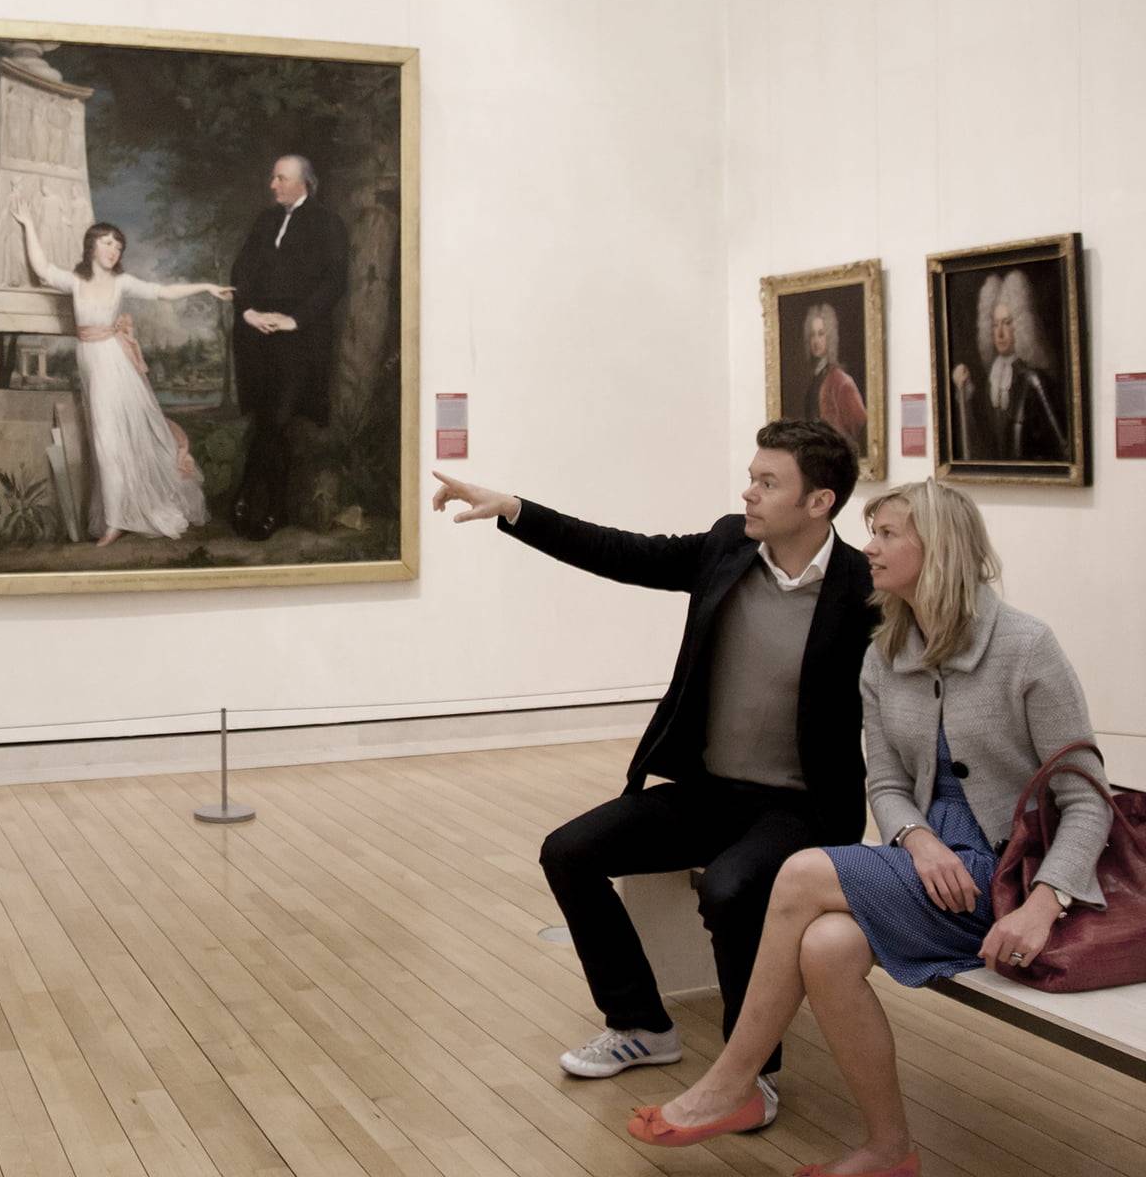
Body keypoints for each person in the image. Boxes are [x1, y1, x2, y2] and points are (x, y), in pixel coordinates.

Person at [629, 480, 1111, 1177]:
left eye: (887, 534)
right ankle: (890, 1150)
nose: (869, 548)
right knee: (826, 947)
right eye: (871, 531)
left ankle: (732, 1082)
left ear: (938, 549)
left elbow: (1087, 796)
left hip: (1013, 879)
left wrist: (1045, 902)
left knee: (800, 873)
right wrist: (916, 839)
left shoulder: (1027, 646)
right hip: (932, 867)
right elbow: (884, 783)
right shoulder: (884, 653)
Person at [431, 420, 873, 1120]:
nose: (748, 492)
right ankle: (642, 1025)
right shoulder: (731, 545)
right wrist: (515, 509)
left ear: (819, 502)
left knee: (731, 889)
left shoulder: (862, 589)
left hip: (800, 810)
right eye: (751, 477)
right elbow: (625, 553)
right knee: (570, 851)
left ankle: (750, 1069)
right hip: (710, 791)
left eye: (767, 482)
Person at [13, 206, 230, 547]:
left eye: (118, 246)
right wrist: (28, 223)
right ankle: (118, 516)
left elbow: (162, 292)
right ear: (91, 247)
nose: (114, 250)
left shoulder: (122, 282)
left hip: (116, 367)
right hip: (92, 366)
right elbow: (41, 270)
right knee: (107, 444)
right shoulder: (76, 281)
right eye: (107, 243)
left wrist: (205, 286)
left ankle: (116, 522)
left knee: (113, 442)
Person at [228, 155, 346, 540]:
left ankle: (258, 497)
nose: (273, 184)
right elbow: (240, 271)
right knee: (267, 421)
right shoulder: (264, 222)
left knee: (276, 420)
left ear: (303, 183)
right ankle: (266, 505)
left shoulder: (328, 224)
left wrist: (296, 320)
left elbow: (333, 282)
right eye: (273, 177)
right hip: (259, 339)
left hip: (300, 341)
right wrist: (246, 311)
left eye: (281, 178)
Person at [949, 269, 1067, 462]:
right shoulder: (990, 379)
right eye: (995, 325)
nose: (1000, 333)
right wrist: (965, 393)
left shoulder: (1033, 380)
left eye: (1007, 323)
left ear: (1020, 325)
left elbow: (1056, 442)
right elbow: (983, 437)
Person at [802, 302, 866, 449]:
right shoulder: (815, 378)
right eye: (812, 335)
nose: (816, 341)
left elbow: (859, 422)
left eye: (821, 334)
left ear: (829, 337)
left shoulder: (840, 380)